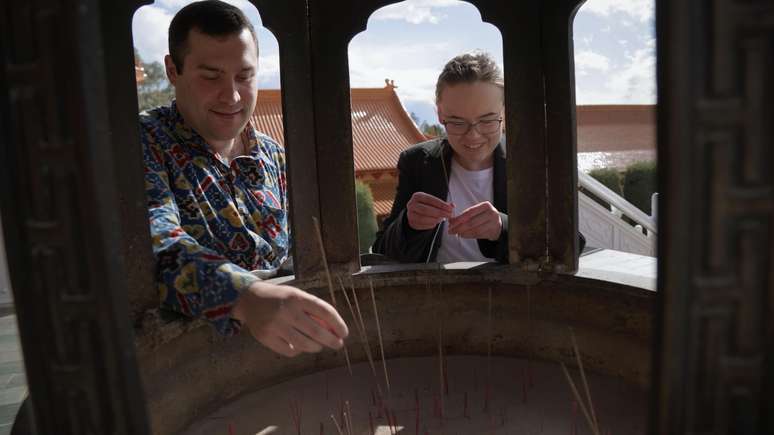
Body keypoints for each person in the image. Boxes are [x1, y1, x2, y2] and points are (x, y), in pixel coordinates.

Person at [139, 0, 347, 357]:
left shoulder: (275, 155)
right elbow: (153, 243)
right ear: (173, 70)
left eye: (245, 76)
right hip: (188, 364)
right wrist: (246, 297)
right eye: (211, 76)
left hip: (285, 356)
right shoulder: (143, 142)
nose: (232, 95)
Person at [372, 52, 584, 263]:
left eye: (487, 120)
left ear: (504, 112)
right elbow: (382, 252)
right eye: (457, 122)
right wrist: (409, 225)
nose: (473, 135)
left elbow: (571, 243)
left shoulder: (533, 163)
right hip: (436, 284)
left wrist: (502, 228)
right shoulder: (418, 162)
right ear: (440, 115)